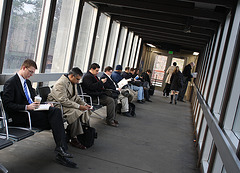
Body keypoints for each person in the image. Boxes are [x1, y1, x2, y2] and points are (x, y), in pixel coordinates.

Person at [2, 59, 76, 168]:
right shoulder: (11, 83)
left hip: (33, 112)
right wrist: (26, 107)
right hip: (22, 115)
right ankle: (61, 151)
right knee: (56, 121)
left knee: (55, 111)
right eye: (30, 72)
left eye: (33, 73)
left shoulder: (27, 82)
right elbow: (7, 105)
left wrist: (45, 104)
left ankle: (61, 149)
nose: (31, 75)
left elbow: (33, 98)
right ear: (23, 68)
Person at [47, 67, 92, 150]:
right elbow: (63, 100)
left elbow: (76, 97)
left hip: (66, 104)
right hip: (57, 105)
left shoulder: (72, 82)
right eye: (77, 79)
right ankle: (74, 137)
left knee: (84, 110)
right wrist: (79, 106)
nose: (78, 82)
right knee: (75, 112)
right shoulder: (61, 83)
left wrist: (84, 104)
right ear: (71, 76)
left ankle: (81, 131)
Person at [82, 63, 119, 127]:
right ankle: (109, 120)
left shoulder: (93, 76)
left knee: (115, 100)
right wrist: (101, 82)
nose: (97, 72)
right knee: (110, 101)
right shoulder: (87, 77)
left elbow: (96, 87)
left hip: (98, 95)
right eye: (96, 71)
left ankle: (112, 118)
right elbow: (91, 87)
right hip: (94, 97)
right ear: (91, 69)